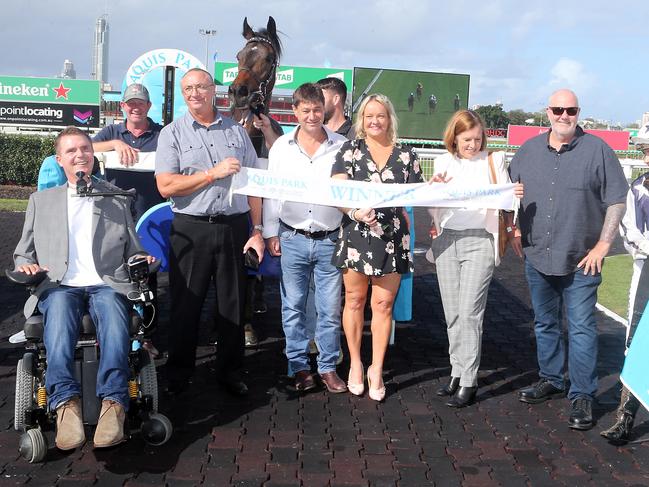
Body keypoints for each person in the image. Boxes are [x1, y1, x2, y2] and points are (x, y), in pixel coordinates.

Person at [13, 127, 153, 450]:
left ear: (93, 157)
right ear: (59, 159)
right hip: (59, 283)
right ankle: (65, 406)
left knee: (115, 319)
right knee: (59, 316)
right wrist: (27, 265)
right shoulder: (41, 201)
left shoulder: (115, 198)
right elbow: (23, 251)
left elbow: (133, 249)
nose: (80, 155)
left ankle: (113, 405)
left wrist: (141, 258)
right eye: (72, 151)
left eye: (85, 150)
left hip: (106, 282)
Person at [510, 89, 628, 430]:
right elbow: (508, 192)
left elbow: (616, 201)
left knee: (580, 328)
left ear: (578, 112)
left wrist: (604, 245)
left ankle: (582, 394)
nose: (564, 115)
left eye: (571, 110)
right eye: (558, 109)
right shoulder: (528, 150)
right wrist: (513, 229)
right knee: (545, 323)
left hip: (582, 260)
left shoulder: (599, 151)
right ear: (547, 112)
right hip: (538, 255)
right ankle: (551, 378)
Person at [155, 68, 265, 397]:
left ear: (213, 90)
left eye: (200, 87)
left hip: (233, 226)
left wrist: (257, 229)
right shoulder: (171, 134)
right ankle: (178, 374)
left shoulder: (237, 132)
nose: (193, 93)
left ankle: (230, 372)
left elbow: (254, 185)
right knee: (186, 305)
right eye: (188, 88)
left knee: (232, 305)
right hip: (190, 228)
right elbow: (165, 186)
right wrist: (211, 174)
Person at [428, 110, 524, 408]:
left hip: (480, 241)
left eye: (478, 139)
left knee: (470, 312)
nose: (473, 144)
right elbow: (434, 211)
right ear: (454, 137)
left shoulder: (494, 162)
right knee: (453, 312)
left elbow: (508, 199)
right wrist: (434, 192)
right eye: (467, 139)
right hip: (447, 241)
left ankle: (469, 380)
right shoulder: (443, 162)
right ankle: (457, 370)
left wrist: (515, 193)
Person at [331, 93, 424, 401]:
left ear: (389, 118)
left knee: (383, 306)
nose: (375, 121)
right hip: (356, 236)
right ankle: (356, 363)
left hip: (393, 239)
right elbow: (337, 192)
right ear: (361, 120)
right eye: (369, 116)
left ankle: (376, 368)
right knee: (355, 301)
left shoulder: (406, 154)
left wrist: (437, 185)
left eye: (380, 115)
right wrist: (355, 212)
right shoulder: (349, 151)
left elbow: (418, 193)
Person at [263, 83, 348, 393]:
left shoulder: (342, 145)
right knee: (294, 306)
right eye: (306, 110)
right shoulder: (281, 148)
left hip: (331, 238)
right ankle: (298, 366)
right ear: (295, 111)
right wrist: (270, 232)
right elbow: (272, 193)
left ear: (323, 110)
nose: (312, 115)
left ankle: (327, 367)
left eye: (317, 109)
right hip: (292, 236)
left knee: (329, 307)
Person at [92, 83, 164, 358]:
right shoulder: (111, 132)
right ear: (123, 106)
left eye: (140, 103)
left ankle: (146, 336)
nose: (135, 107)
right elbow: (85, 146)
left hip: (149, 218)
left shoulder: (161, 134)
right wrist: (115, 144)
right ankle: (109, 332)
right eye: (130, 103)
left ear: (148, 107)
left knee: (148, 279)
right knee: (111, 276)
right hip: (114, 219)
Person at [601, 142, 649, 444]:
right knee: (637, 342)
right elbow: (630, 232)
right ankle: (625, 418)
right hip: (647, 270)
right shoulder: (637, 189)